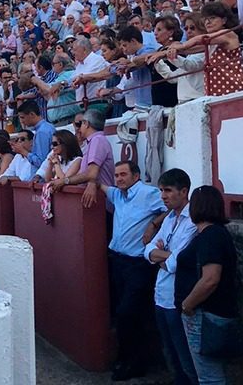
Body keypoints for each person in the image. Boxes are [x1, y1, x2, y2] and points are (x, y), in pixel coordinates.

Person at [103, 161, 167, 381]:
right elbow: (97, 183)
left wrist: (153, 224)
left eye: (123, 175)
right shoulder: (117, 195)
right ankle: (128, 359)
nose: (119, 179)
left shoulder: (148, 194)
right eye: (116, 175)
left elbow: (172, 208)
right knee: (124, 313)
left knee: (129, 313)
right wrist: (93, 185)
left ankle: (135, 362)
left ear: (136, 176)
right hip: (119, 261)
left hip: (138, 264)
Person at [176, 186, 238, 385]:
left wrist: (187, 305)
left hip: (205, 314)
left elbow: (210, 279)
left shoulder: (210, 236)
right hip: (212, 312)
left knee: (209, 376)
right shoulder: (216, 234)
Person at [144, 168, 199, 385]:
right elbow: (146, 250)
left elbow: (176, 263)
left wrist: (159, 254)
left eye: (168, 190)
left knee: (186, 358)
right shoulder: (169, 219)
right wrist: (161, 255)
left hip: (177, 299)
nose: (163, 196)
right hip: (161, 295)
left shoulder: (192, 221)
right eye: (161, 191)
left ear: (184, 191)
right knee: (171, 354)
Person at [49, 108, 113, 208]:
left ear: (86, 123)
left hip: (100, 202)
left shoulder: (97, 140)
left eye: (81, 124)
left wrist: (64, 181)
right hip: (97, 200)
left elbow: (91, 174)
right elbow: (84, 173)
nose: (78, 129)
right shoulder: (93, 141)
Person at [15, 100, 55, 175]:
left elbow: (41, 162)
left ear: (32, 114)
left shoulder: (42, 132)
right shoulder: (47, 127)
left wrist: (23, 152)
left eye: (22, 117)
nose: (21, 121)